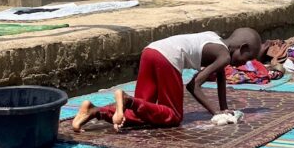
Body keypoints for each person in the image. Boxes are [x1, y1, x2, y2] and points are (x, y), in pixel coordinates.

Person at [72, 28, 262, 132]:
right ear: (242, 48)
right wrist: (217, 113)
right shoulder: (225, 56)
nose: (243, 63)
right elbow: (193, 85)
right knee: (173, 116)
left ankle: (94, 111)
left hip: (151, 51)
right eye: (246, 58)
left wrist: (224, 108)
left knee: (141, 112)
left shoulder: (215, 38)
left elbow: (221, 77)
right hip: (167, 58)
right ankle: (127, 99)